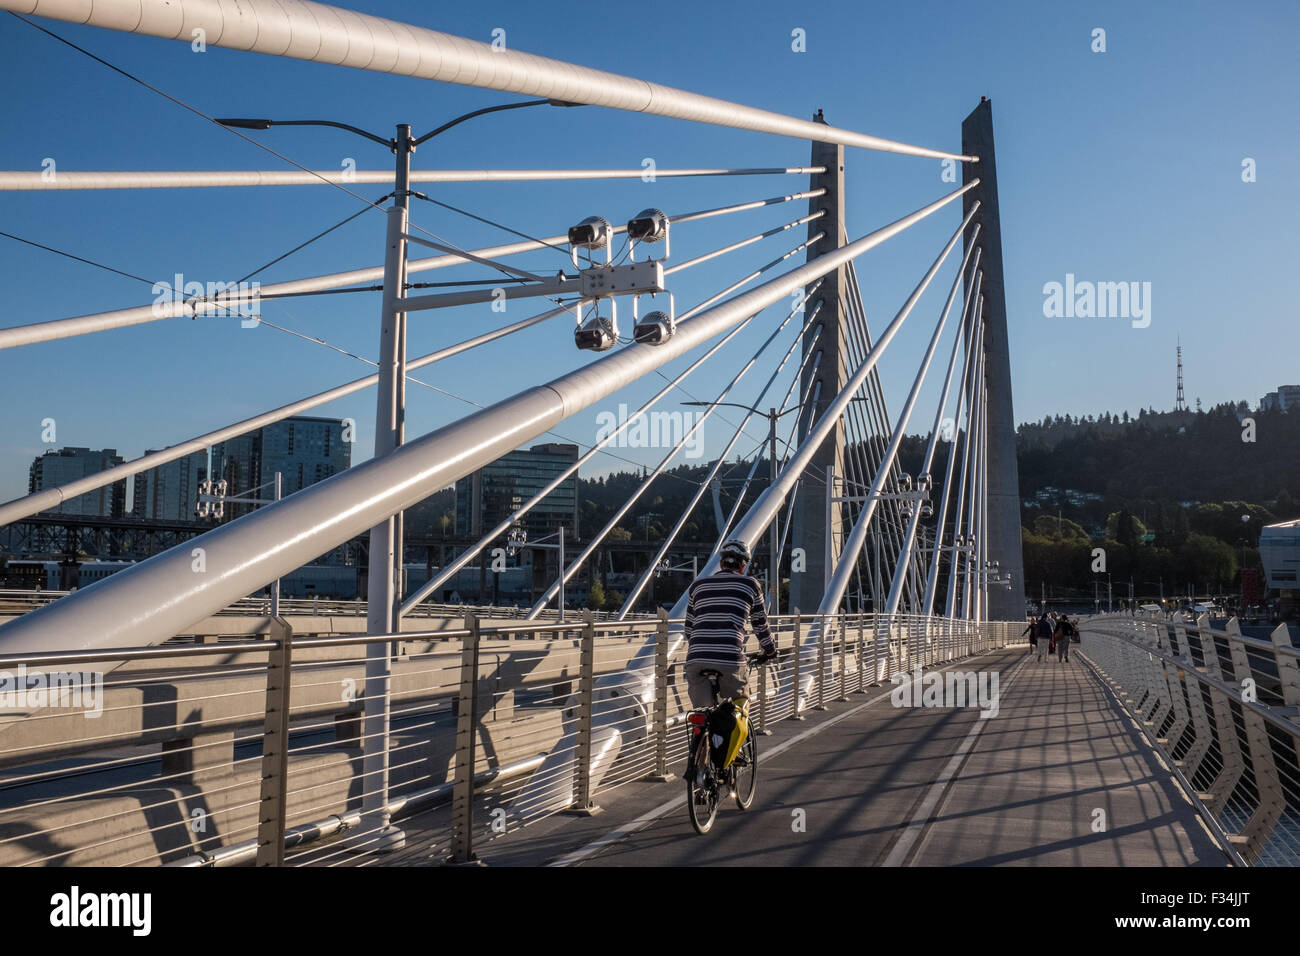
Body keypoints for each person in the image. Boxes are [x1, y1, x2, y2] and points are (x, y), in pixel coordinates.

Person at [683, 539, 777, 709]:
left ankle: (701, 732)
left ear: (720, 563)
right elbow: (760, 625)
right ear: (743, 566)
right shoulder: (750, 585)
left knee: (702, 712)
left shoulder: (697, 586)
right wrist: (770, 651)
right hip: (730, 659)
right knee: (740, 707)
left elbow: (689, 629)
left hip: (696, 658)